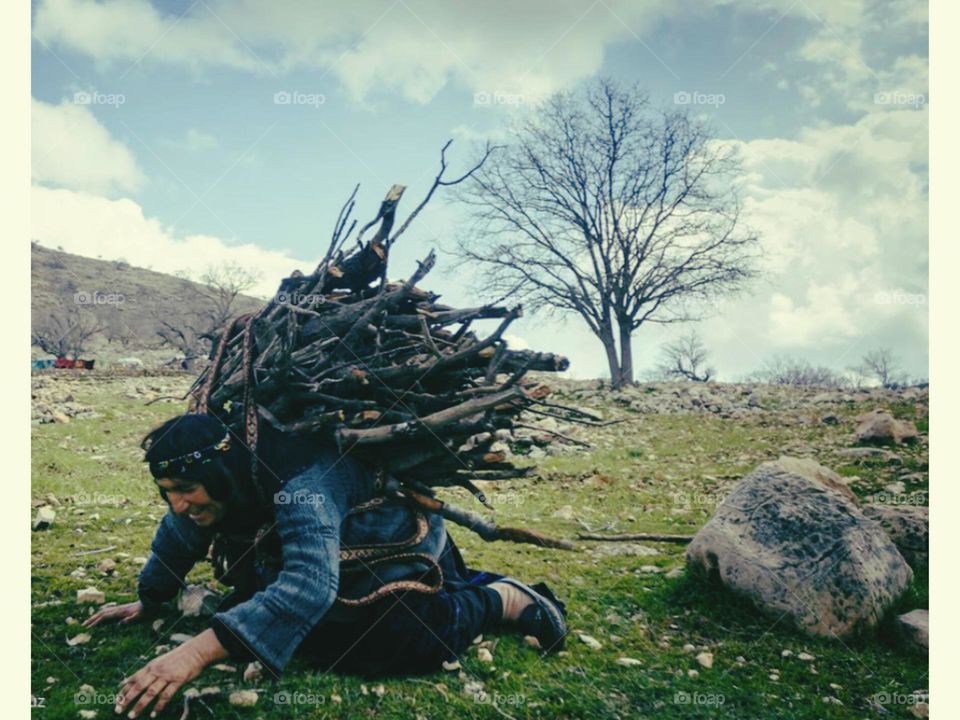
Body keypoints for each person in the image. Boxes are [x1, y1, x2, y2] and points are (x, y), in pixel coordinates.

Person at [84, 413, 567, 719]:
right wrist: (150, 600)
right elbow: (176, 538)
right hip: (328, 556)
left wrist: (194, 655)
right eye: (167, 492)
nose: (178, 504)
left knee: (392, 641)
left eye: (186, 490)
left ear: (217, 474)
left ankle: (501, 599)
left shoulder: (303, 484)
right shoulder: (214, 484)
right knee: (279, 629)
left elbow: (310, 585)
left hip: (394, 550)